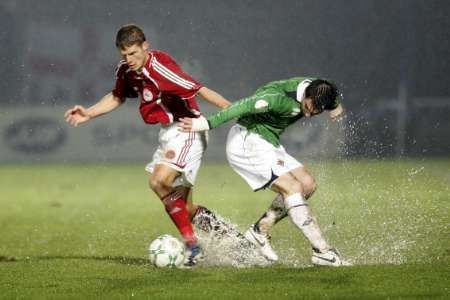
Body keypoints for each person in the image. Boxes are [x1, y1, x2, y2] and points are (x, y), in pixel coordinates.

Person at [64, 24, 239, 267]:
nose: (129, 59)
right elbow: (117, 96)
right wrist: (89, 113)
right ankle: (236, 241)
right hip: (168, 133)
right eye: (124, 55)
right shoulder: (127, 70)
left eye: (134, 53)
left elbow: (200, 90)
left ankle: (193, 247)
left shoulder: (161, 69)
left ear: (145, 45)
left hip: (187, 127)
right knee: (185, 209)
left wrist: (238, 111)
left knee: (158, 181)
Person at [178, 77, 351, 266]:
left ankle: (260, 230)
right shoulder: (276, 99)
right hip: (247, 141)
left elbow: (330, 95)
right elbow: (240, 107)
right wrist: (205, 124)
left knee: (308, 185)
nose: (309, 115)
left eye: (316, 112)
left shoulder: (318, 91)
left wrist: (335, 107)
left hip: (268, 142)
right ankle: (322, 251)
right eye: (308, 108)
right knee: (292, 188)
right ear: (305, 94)